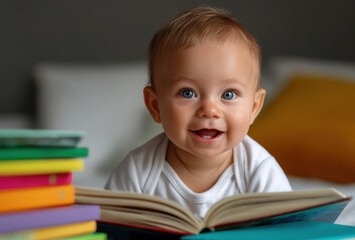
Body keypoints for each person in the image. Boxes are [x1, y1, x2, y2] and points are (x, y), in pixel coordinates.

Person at [105, 6, 291, 218]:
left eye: (228, 94)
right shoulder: (137, 171)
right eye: (187, 93)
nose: (209, 110)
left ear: (254, 108)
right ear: (156, 106)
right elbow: (109, 227)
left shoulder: (259, 171)